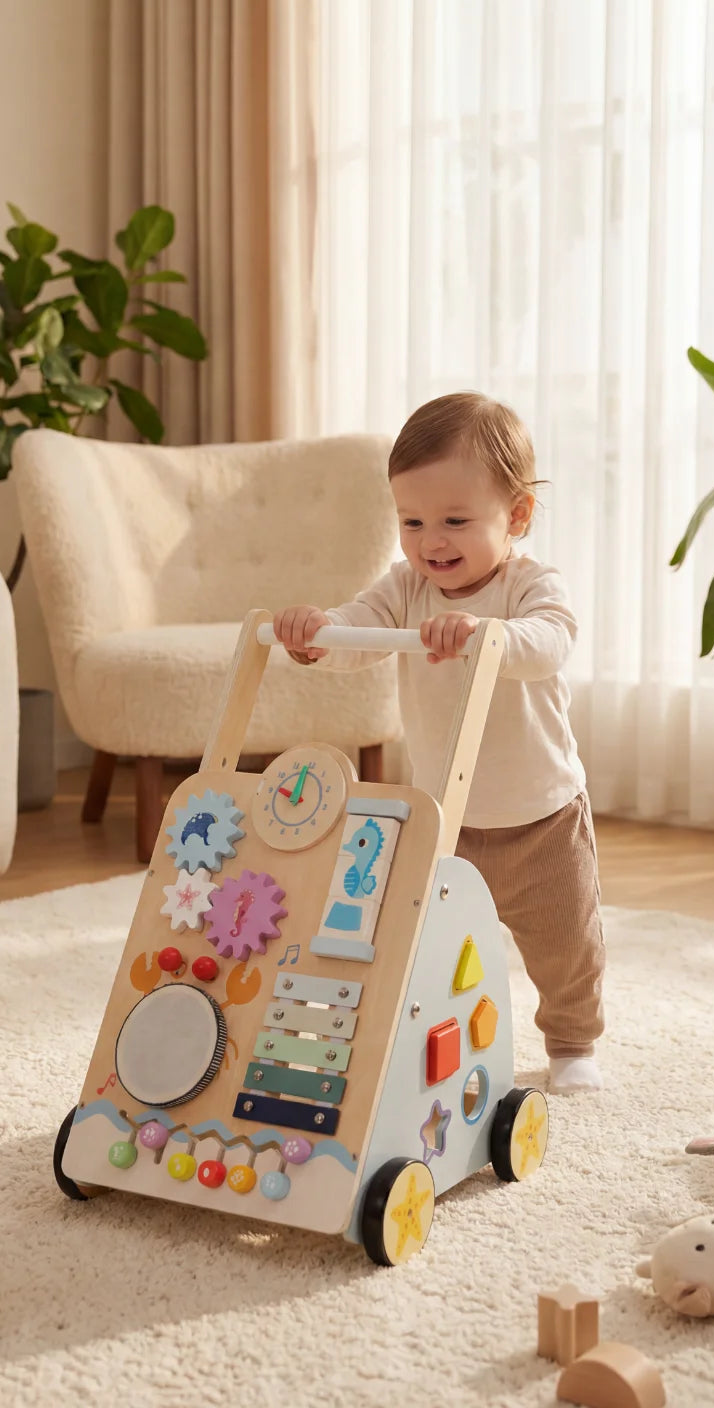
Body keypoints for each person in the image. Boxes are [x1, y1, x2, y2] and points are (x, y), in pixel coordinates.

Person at [273, 391, 604, 1093]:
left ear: (516, 516)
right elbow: (359, 630)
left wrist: (486, 636)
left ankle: (574, 1043)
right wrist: (318, 633)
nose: (431, 541)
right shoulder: (407, 587)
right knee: (424, 935)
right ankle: (422, 1028)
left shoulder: (530, 586)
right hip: (444, 818)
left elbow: (549, 644)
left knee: (564, 944)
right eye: (412, 521)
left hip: (540, 814)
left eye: (455, 520)